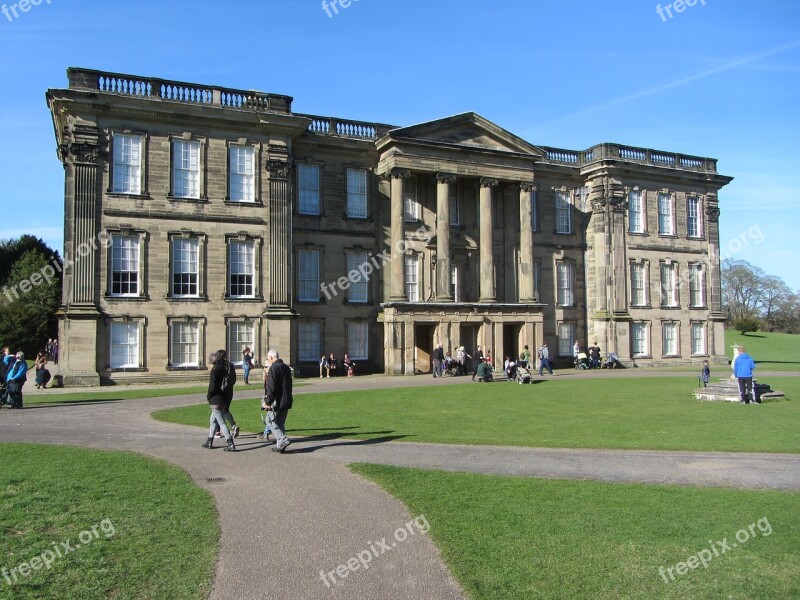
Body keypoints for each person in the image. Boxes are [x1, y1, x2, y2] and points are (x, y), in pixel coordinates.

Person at [202, 350, 237, 451]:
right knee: (212, 420)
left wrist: (209, 396)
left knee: (221, 422)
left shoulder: (215, 370)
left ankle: (230, 443)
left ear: (213, 361)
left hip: (216, 399)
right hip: (224, 397)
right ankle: (209, 441)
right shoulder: (224, 368)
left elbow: (212, 387)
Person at [265, 348, 293, 453]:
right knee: (280, 422)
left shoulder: (273, 368)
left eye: (268, 359)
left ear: (271, 358)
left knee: (269, 420)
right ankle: (280, 445)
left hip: (278, 400)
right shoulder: (286, 367)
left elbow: (271, 387)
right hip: (287, 398)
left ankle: (282, 439)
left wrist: (268, 402)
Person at [257, 361, 273, 442]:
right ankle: (266, 433)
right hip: (268, 398)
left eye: (266, 367)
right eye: (264, 366)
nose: (264, 368)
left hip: (272, 400)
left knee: (270, 419)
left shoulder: (271, 377)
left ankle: (267, 433)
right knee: (269, 418)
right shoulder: (267, 376)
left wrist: (267, 402)